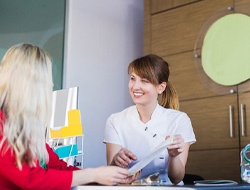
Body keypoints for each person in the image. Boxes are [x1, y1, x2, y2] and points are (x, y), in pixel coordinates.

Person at [0, 43, 138, 190]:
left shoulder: (26, 129)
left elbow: (59, 168)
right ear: (30, 83)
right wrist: (94, 175)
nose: (51, 84)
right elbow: (31, 179)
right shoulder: (3, 124)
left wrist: (109, 177)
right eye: (46, 80)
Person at [104, 54, 196, 185]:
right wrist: (116, 161)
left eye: (144, 81)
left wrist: (174, 156)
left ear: (161, 87)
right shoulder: (115, 120)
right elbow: (112, 177)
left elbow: (176, 178)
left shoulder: (179, 120)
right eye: (132, 79)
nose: (135, 87)